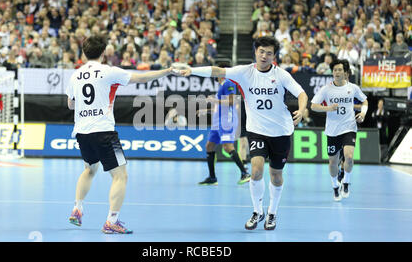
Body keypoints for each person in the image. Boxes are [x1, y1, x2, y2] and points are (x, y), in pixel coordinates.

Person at [176, 36, 308, 231]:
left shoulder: (281, 75)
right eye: (261, 52)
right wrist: (192, 70)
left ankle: (272, 212)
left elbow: (301, 93)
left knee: (276, 176)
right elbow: (217, 71)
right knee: (256, 171)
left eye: (269, 53)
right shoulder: (244, 72)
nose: (264, 56)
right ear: (255, 52)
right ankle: (257, 211)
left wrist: (302, 109)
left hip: (281, 131)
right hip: (257, 131)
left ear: (274, 56)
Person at [66, 35, 176, 234]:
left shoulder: (75, 75)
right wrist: (167, 71)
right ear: (104, 53)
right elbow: (141, 78)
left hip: (82, 132)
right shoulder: (109, 72)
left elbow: (70, 104)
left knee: (89, 170)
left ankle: (77, 209)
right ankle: (111, 221)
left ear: (83, 53)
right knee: (121, 176)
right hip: (104, 132)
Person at [310, 59, 368, 202]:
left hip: (349, 127)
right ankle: (335, 185)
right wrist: (328, 108)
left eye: (340, 70)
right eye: (334, 70)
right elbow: (313, 106)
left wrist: (363, 113)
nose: (337, 72)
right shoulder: (326, 89)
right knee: (333, 162)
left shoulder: (353, 88)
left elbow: (364, 101)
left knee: (348, 156)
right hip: (332, 130)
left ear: (345, 72)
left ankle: (346, 182)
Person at [196, 75, 251, 186]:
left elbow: (231, 102)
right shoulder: (220, 88)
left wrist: (214, 100)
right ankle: (212, 178)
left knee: (227, 147)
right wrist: (206, 110)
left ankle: (245, 173)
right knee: (209, 146)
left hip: (226, 122)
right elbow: (219, 108)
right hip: (217, 123)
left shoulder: (228, 83)